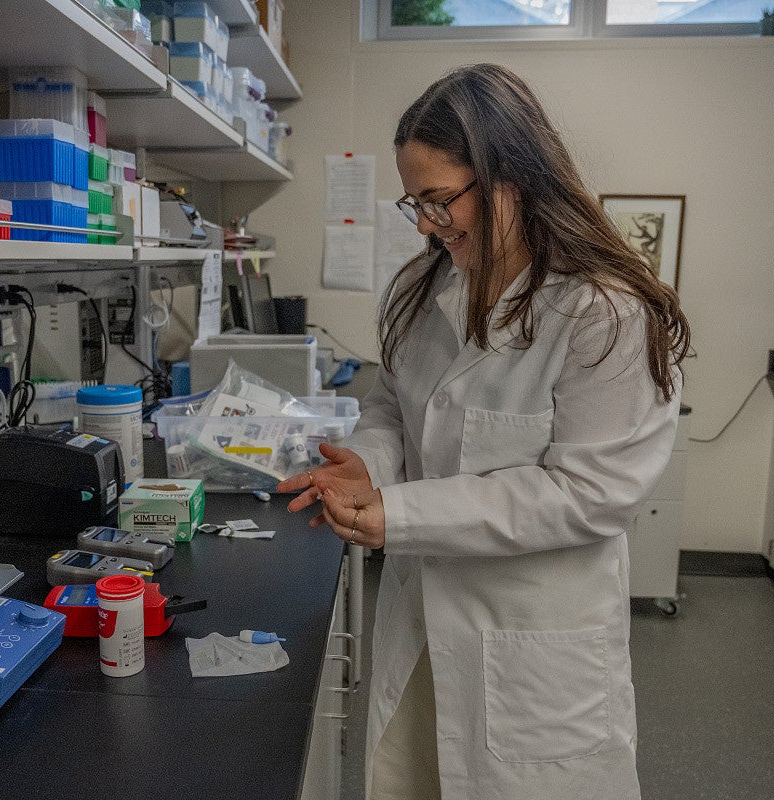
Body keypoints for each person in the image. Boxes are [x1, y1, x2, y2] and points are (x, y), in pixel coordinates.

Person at [276, 63, 690, 800]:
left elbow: (590, 495)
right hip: (423, 628)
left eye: (440, 202)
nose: (428, 227)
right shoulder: (424, 285)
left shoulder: (605, 313)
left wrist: (399, 513)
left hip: (532, 651)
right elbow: (391, 405)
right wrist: (368, 465)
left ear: (513, 175)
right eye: (415, 204)